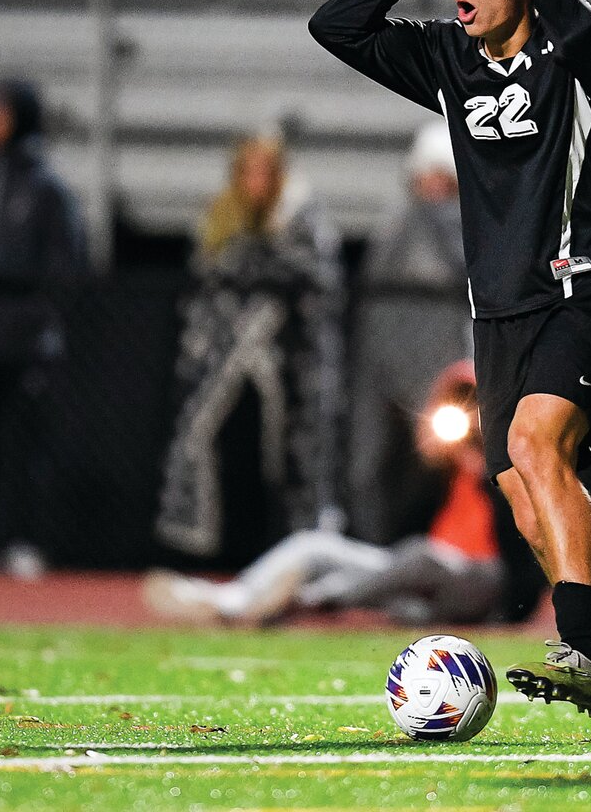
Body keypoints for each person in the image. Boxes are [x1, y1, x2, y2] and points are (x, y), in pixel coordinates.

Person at [308, 0, 591, 745]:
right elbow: (335, 26)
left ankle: (579, 652)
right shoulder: (449, 61)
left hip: (584, 288)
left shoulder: (577, 53)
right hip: (501, 316)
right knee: (532, 507)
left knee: (533, 449)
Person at [144, 360, 505, 625]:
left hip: (480, 580)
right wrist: (432, 463)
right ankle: (231, 601)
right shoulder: (440, 467)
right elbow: (398, 527)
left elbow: (518, 553)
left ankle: (304, 600)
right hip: (409, 578)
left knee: (424, 557)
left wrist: (488, 469)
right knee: (316, 546)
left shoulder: (509, 464)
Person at [156, 134, 345, 565]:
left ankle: (287, 552)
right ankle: (208, 554)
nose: (256, 181)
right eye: (248, 171)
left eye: (265, 171)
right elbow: (204, 289)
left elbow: (319, 292)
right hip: (223, 368)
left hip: (290, 371)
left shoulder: (302, 223)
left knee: (287, 461)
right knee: (214, 444)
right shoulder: (221, 218)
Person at [0, 80, 86, 579]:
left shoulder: (46, 190)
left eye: (1, 113)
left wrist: (32, 323)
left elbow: (65, 269)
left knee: (25, 450)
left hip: (23, 347)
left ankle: (25, 540)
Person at [347, 120, 474, 543]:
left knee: (443, 472)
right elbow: (371, 307)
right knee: (368, 466)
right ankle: (370, 552)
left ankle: (439, 552)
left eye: (444, 178)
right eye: (427, 177)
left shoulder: (472, 234)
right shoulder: (393, 231)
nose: (434, 189)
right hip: (382, 370)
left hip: (439, 381)